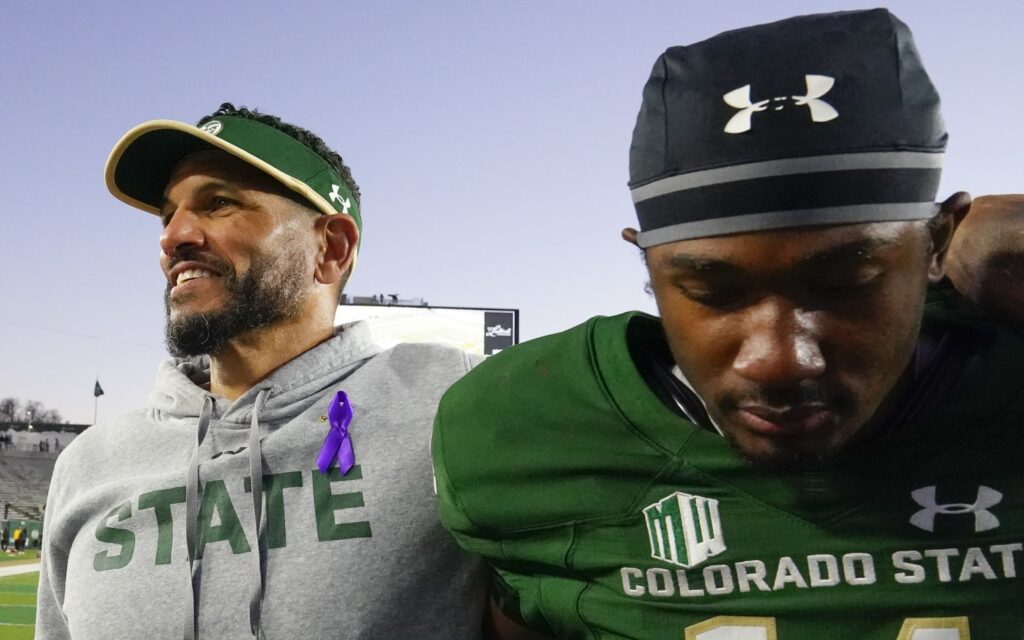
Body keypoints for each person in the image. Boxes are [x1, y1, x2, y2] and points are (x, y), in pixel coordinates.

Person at [433, 10, 1024, 639]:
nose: (780, 359)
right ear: (647, 263)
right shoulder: (519, 432)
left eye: (847, 284)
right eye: (711, 292)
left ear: (936, 244)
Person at [36, 104, 486, 639]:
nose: (173, 237)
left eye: (219, 204)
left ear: (331, 248)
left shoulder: (451, 402)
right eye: (167, 215)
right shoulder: (90, 464)